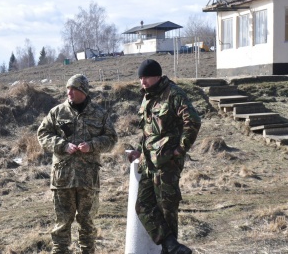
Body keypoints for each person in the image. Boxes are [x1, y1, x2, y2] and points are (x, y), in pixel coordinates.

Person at [37, 74, 118, 254]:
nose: (69, 92)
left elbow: (112, 138)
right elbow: (43, 134)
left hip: (88, 178)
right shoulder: (57, 112)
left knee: (87, 222)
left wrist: (92, 145)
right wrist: (63, 145)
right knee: (62, 223)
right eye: (68, 88)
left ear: (83, 91)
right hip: (62, 178)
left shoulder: (99, 114)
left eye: (73, 88)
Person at [128, 59, 201, 254]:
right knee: (143, 205)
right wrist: (138, 149)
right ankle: (170, 244)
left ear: (157, 76)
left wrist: (180, 149)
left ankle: (170, 250)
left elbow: (192, 120)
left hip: (167, 163)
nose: (143, 81)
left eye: (146, 77)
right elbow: (147, 131)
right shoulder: (147, 97)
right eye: (141, 78)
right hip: (147, 162)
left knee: (167, 210)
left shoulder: (174, 94)